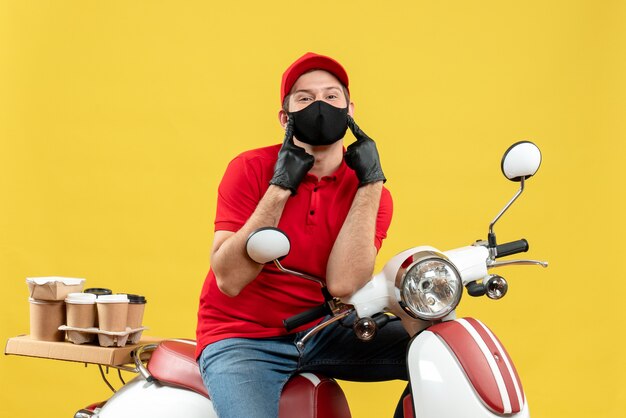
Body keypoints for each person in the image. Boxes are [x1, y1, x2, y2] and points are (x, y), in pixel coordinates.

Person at [196, 52, 410, 418]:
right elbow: (229, 279)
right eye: (305, 99)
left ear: (350, 110)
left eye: (331, 97)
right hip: (243, 339)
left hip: (324, 331)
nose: (320, 107)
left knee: (440, 352)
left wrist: (371, 182)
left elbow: (343, 285)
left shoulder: (373, 193)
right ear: (286, 118)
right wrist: (280, 187)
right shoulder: (249, 169)